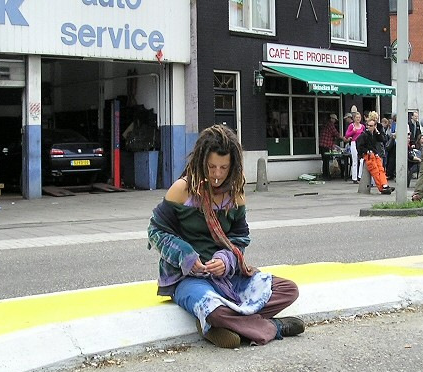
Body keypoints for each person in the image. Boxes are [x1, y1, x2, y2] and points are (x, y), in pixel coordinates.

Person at [147, 124, 304, 348]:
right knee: (215, 310)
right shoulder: (181, 189)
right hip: (188, 279)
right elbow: (155, 231)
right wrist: (188, 257)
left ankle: (221, 326)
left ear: (233, 166)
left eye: (224, 167)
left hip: (228, 277)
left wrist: (225, 260)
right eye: (211, 167)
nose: (217, 175)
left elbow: (240, 237)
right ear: (201, 161)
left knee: (288, 290)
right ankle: (274, 327)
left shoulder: (236, 195)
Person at [355, 118, 394, 194]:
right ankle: (381, 187)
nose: (369, 127)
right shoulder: (364, 135)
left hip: (374, 154)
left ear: (374, 126)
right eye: (368, 126)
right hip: (369, 155)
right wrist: (366, 152)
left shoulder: (375, 134)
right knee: (375, 171)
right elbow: (359, 146)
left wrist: (377, 132)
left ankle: (385, 185)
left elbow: (383, 139)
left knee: (381, 169)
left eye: (371, 126)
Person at [318, 113, 346, 179]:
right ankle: (326, 176)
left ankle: (325, 175)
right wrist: (343, 138)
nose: (335, 121)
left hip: (322, 144)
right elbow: (336, 133)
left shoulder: (326, 124)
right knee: (326, 160)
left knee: (325, 160)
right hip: (325, 145)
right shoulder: (330, 124)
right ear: (331, 119)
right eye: (334, 119)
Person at [344, 112, 365, 183]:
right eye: (356, 117)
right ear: (354, 118)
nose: (358, 119)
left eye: (359, 117)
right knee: (355, 160)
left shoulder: (362, 126)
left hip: (361, 144)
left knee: (362, 160)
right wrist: (353, 131)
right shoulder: (351, 126)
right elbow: (346, 135)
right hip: (354, 143)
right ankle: (354, 178)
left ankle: (360, 176)